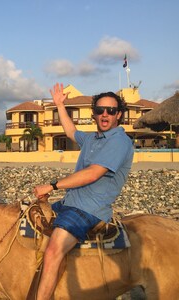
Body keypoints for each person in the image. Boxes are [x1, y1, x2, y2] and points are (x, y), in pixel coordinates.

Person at [33, 83, 134, 299]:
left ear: (119, 115)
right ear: (94, 114)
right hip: (70, 202)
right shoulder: (92, 138)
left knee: (53, 250)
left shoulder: (119, 141)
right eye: (100, 110)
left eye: (111, 110)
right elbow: (71, 131)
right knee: (28, 217)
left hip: (89, 209)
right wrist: (60, 104)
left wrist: (52, 185)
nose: (105, 114)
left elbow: (92, 174)